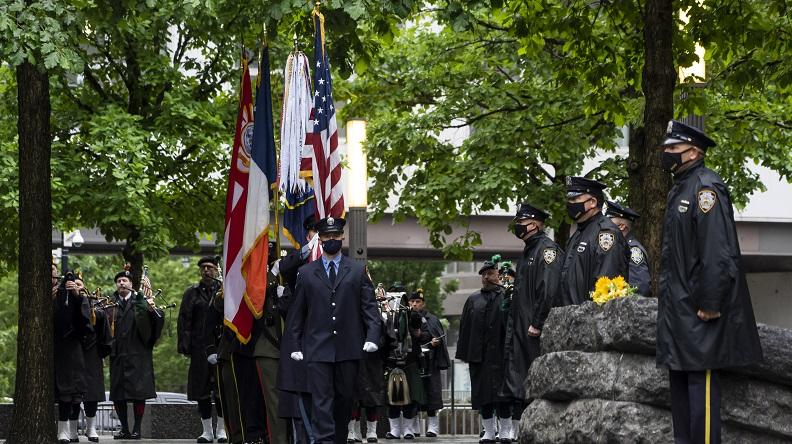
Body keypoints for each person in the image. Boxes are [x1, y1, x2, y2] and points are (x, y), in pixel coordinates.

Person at [656, 120, 763, 443]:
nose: (666, 153)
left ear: (694, 152)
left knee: (700, 401)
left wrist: (710, 303)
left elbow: (717, 251)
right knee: (681, 399)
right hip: (680, 312)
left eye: (673, 148)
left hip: (699, 313)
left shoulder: (706, 188)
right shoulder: (682, 188)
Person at [286, 216, 382, 444]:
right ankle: (324, 441)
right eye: (327, 236)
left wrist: (372, 336)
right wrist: (295, 345)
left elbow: (370, 308)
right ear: (320, 239)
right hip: (317, 349)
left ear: (342, 237)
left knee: (344, 400)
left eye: (335, 236)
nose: (331, 239)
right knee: (321, 400)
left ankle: (338, 439)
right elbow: (297, 313)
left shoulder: (358, 270)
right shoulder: (307, 272)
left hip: (348, 348)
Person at [500, 203, 562, 442]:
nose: (518, 227)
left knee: (536, 384)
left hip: (534, 332)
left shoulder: (547, 250)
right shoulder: (528, 251)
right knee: (522, 386)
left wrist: (537, 323)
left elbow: (549, 290)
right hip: (521, 329)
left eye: (522, 222)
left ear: (535, 224)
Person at [455, 260, 510, 443]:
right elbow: (465, 329)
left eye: (490, 273)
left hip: (502, 355)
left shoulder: (507, 296)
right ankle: (488, 431)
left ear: (498, 275)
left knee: (504, 395)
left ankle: (505, 431)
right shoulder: (473, 299)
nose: (486, 277)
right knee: (483, 394)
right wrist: (465, 354)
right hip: (480, 356)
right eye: (483, 274)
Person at [108, 268, 164, 440]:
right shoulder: (110, 304)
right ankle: (124, 428)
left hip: (138, 355)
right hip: (118, 356)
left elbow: (158, 321)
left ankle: (137, 429)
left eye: (125, 281)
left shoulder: (141, 301)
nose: (121, 283)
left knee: (138, 395)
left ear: (131, 284)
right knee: (119, 396)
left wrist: (152, 310)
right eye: (118, 281)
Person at [277, 215, 318, 443]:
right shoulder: (300, 263)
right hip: (302, 343)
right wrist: (307, 250)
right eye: (315, 231)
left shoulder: (341, 265)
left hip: (328, 344)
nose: (320, 236)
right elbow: (286, 267)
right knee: (301, 406)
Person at [178, 256, 227, 443]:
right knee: (202, 391)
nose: (207, 271)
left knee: (222, 389)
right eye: (203, 268)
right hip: (199, 349)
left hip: (221, 346)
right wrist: (185, 346)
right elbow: (184, 321)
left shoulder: (224, 290)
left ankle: (222, 429)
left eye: (210, 267)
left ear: (216, 270)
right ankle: (207, 431)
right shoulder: (192, 293)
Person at [559, 176, 629, 306]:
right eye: (569, 199)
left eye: (574, 199)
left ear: (592, 202)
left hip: (590, 321)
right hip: (570, 319)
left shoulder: (606, 233)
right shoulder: (579, 233)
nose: (570, 203)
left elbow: (606, 288)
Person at [53, 264, 91, 444]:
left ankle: (69, 430)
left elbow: (85, 324)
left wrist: (76, 296)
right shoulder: (56, 294)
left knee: (74, 391)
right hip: (57, 345)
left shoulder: (81, 299)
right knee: (62, 391)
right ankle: (62, 429)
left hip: (74, 347)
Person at [408, 289, 449, 439]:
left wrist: (435, 342)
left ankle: (433, 427)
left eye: (417, 302)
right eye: (412, 302)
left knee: (432, 394)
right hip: (413, 362)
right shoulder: (404, 318)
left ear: (423, 303)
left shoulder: (432, 319)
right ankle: (414, 427)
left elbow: (437, 337)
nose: (414, 304)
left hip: (430, 362)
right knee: (414, 395)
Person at [78, 274, 113, 443]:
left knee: (92, 393)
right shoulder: (63, 305)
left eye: (80, 285)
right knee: (72, 394)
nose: (77, 287)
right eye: (73, 284)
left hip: (92, 356)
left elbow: (106, 337)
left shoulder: (96, 311)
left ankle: (91, 428)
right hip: (72, 355)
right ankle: (70, 430)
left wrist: (101, 353)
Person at [605, 200, 652, 296]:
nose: (605, 226)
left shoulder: (632, 250)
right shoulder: (618, 247)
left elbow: (640, 288)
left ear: (621, 226)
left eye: (609, 222)